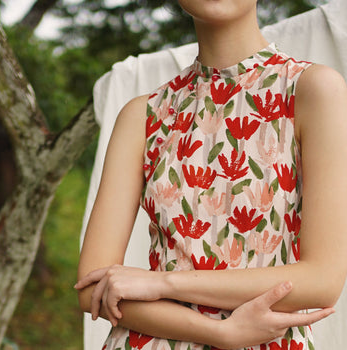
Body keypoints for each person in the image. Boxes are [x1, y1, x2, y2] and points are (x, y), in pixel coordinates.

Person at [75, 1, 347, 349]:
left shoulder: (311, 89)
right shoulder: (142, 115)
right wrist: (218, 333)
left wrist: (165, 284)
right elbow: (90, 289)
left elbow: (321, 281)